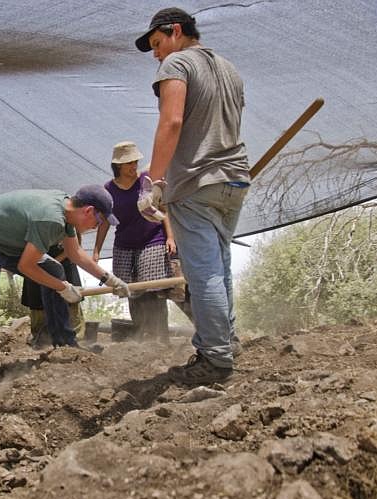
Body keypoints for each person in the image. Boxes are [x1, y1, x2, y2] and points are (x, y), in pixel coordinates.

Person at [136, 7, 251, 383]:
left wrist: (153, 181)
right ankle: (226, 340)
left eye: (156, 43)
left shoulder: (177, 65)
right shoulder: (230, 69)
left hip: (196, 183)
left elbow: (172, 122)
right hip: (233, 180)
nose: (156, 54)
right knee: (219, 266)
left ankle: (215, 358)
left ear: (175, 31)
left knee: (203, 275)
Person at [0, 185, 131, 419]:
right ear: (89, 211)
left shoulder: (66, 214)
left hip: (4, 242)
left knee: (54, 268)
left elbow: (75, 255)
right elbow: (26, 266)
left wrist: (109, 279)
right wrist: (63, 287)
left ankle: (64, 344)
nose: (97, 227)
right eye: (100, 221)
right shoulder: (50, 218)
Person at [93, 141, 177, 342]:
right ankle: (142, 335)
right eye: (129, 163)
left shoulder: (146, 181)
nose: (133, 166)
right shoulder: (108, 189)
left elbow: (164, 211)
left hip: (152, 239)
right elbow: (104, 222)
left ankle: (160, 337)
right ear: (118, 166)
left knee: (153, 289)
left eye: (135, 162)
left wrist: (171, 237)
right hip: (124, 244)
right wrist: (96, 251)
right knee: (130, 290)